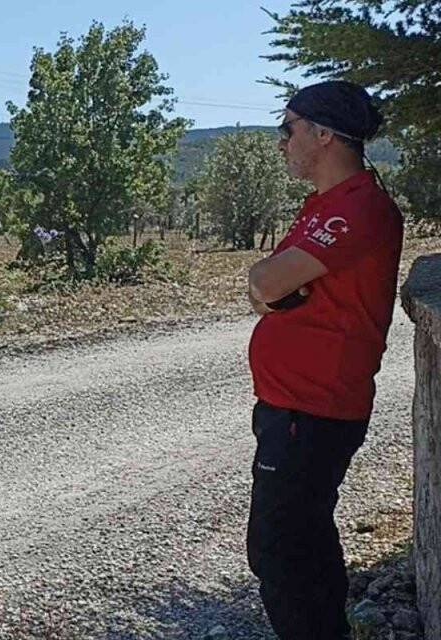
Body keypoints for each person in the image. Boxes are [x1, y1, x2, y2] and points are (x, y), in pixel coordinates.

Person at [245, 80, 402, 638]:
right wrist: (270, 284)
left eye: (287, 129)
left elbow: (267, 283)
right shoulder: (324, 206)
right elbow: (263, 284)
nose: (281, 142)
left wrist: (272, 285)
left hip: (314, 408)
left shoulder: (358, 208)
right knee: (303, 543)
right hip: (292, 407)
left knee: (279, 551)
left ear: (324, 134)